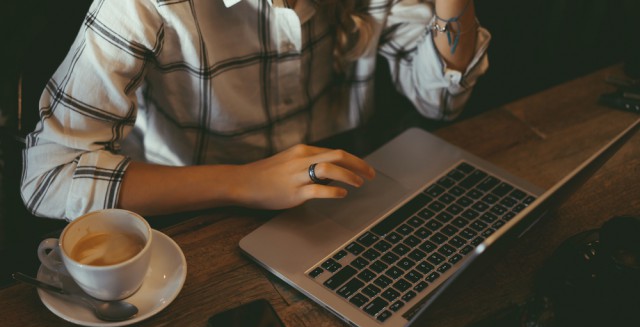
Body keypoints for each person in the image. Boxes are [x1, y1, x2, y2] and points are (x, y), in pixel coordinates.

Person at [20, 0, 490, 221]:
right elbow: (48, 177)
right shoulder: (143, 5)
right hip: (189, 215)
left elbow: (441, 98)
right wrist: (243, 182)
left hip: (338, 198)